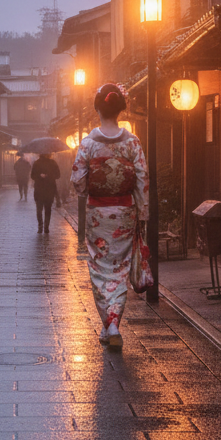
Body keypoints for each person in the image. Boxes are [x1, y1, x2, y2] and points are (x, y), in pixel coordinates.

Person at [70, 83, 148, 350]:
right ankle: (111, 324)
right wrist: (143, 212)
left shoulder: (88, 144)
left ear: (97, 109)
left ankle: (110, 324)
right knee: (120, 268)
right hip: (125, 213)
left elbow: (78, 182)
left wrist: (96, 182)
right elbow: (141, 180)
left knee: (101, 270)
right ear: (121, 110)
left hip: (98, 216)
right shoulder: (132, 142)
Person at [30, 152, 60, 233]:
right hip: (49, 189)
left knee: (39, 209)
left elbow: (32, 176)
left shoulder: (36, 163)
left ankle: (40, 226)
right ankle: (46, 227)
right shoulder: (53, 163)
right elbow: (58, 175)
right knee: (48, 209)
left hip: (39, 190)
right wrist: (49, 175)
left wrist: (39, 176)